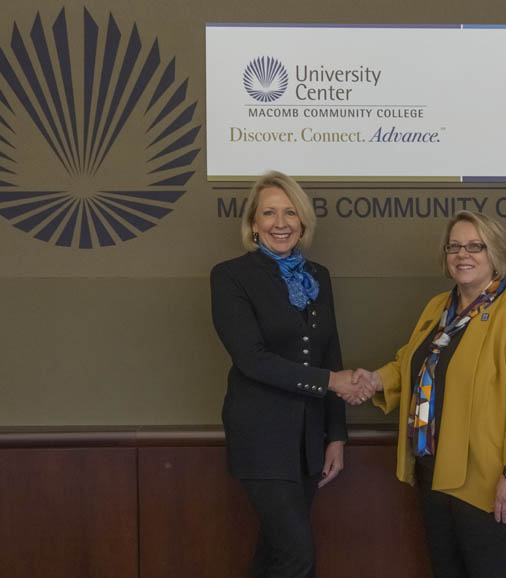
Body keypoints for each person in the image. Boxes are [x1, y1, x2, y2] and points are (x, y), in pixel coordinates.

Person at [354, 211, 506, 578]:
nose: (463, 254)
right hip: (437, 475)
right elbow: (410, 365)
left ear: (496, 253)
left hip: (493, 485)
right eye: (455, 246)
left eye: (475, 246)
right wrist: (373, 379)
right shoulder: (437, 308)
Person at [210, 171, 364, 578]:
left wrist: (336, 436)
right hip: (260, 437)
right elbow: (252, 359)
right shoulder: (229, 277)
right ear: (253, 224)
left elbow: (330, 353)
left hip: (309, 439)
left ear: (303, 221)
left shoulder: (319, 277)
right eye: (270, 213)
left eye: (290, 212)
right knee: (298, 557)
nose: (281, 223)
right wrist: (332, 382)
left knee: (276, 555)